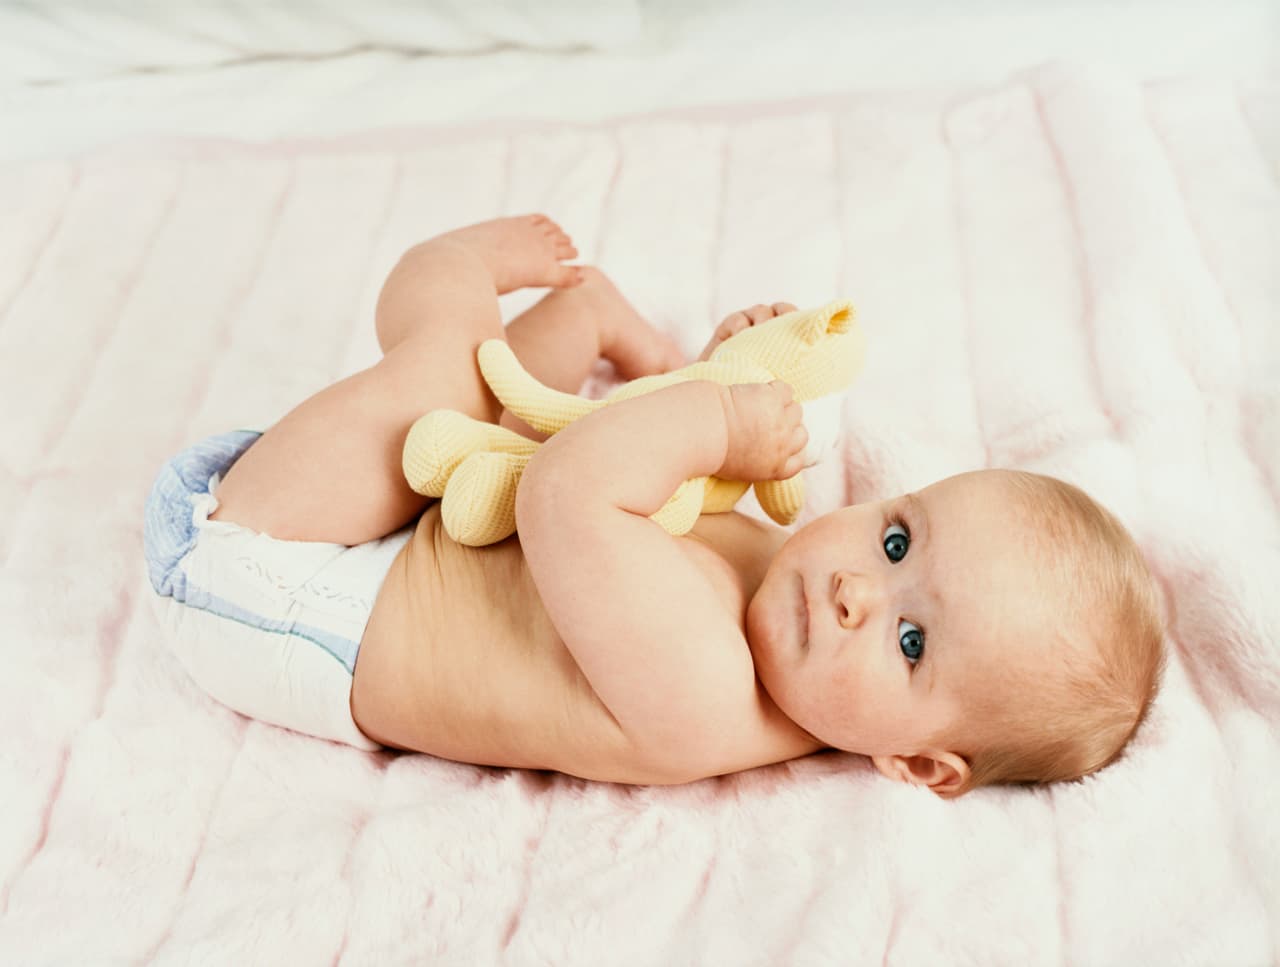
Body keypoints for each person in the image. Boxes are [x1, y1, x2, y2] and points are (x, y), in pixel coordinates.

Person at [143, 215, 1164, 798]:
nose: (857, 587)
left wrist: (716, 423)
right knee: (512, 410)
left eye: (908, 643)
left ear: (919, 762)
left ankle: (439, 277)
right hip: (416, 526)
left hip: (267, 584)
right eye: (895, 537)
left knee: (444, 384)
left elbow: (570, 490)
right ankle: (595, 321)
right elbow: (673, 486)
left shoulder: (708, 695)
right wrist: (730, 367)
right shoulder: (788, 590)